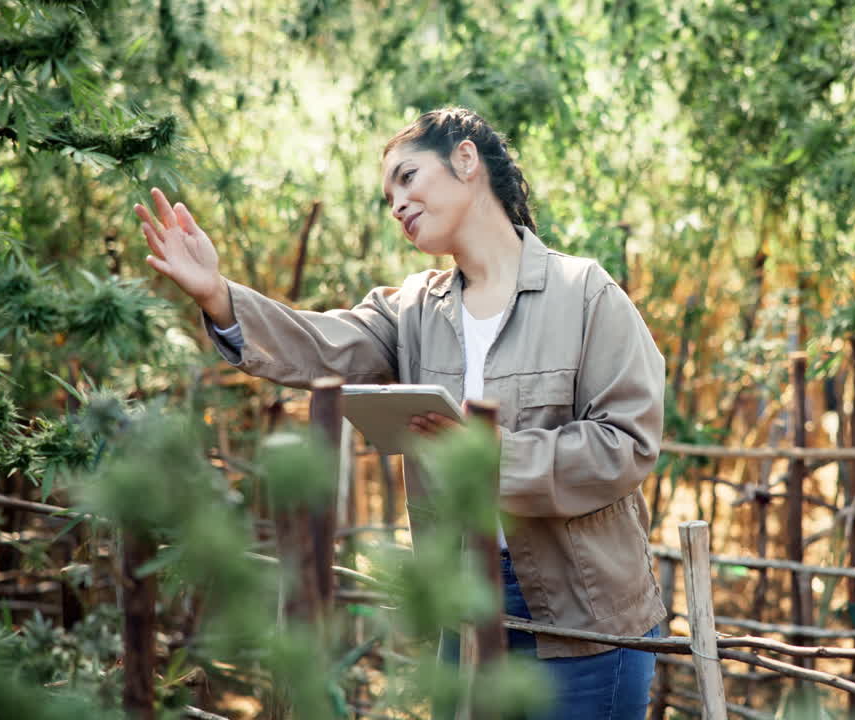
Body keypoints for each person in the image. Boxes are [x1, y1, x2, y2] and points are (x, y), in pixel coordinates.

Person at [136, 107, 667, 720]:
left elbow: (627, 443)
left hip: (585, 618)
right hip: (461, 606)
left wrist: (490, 456)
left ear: (466, 161)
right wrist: (217, 294)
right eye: (389, 195)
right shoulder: (414, 310)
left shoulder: (585, 294)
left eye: (408, 178)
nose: (397, 204)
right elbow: (318, 344)